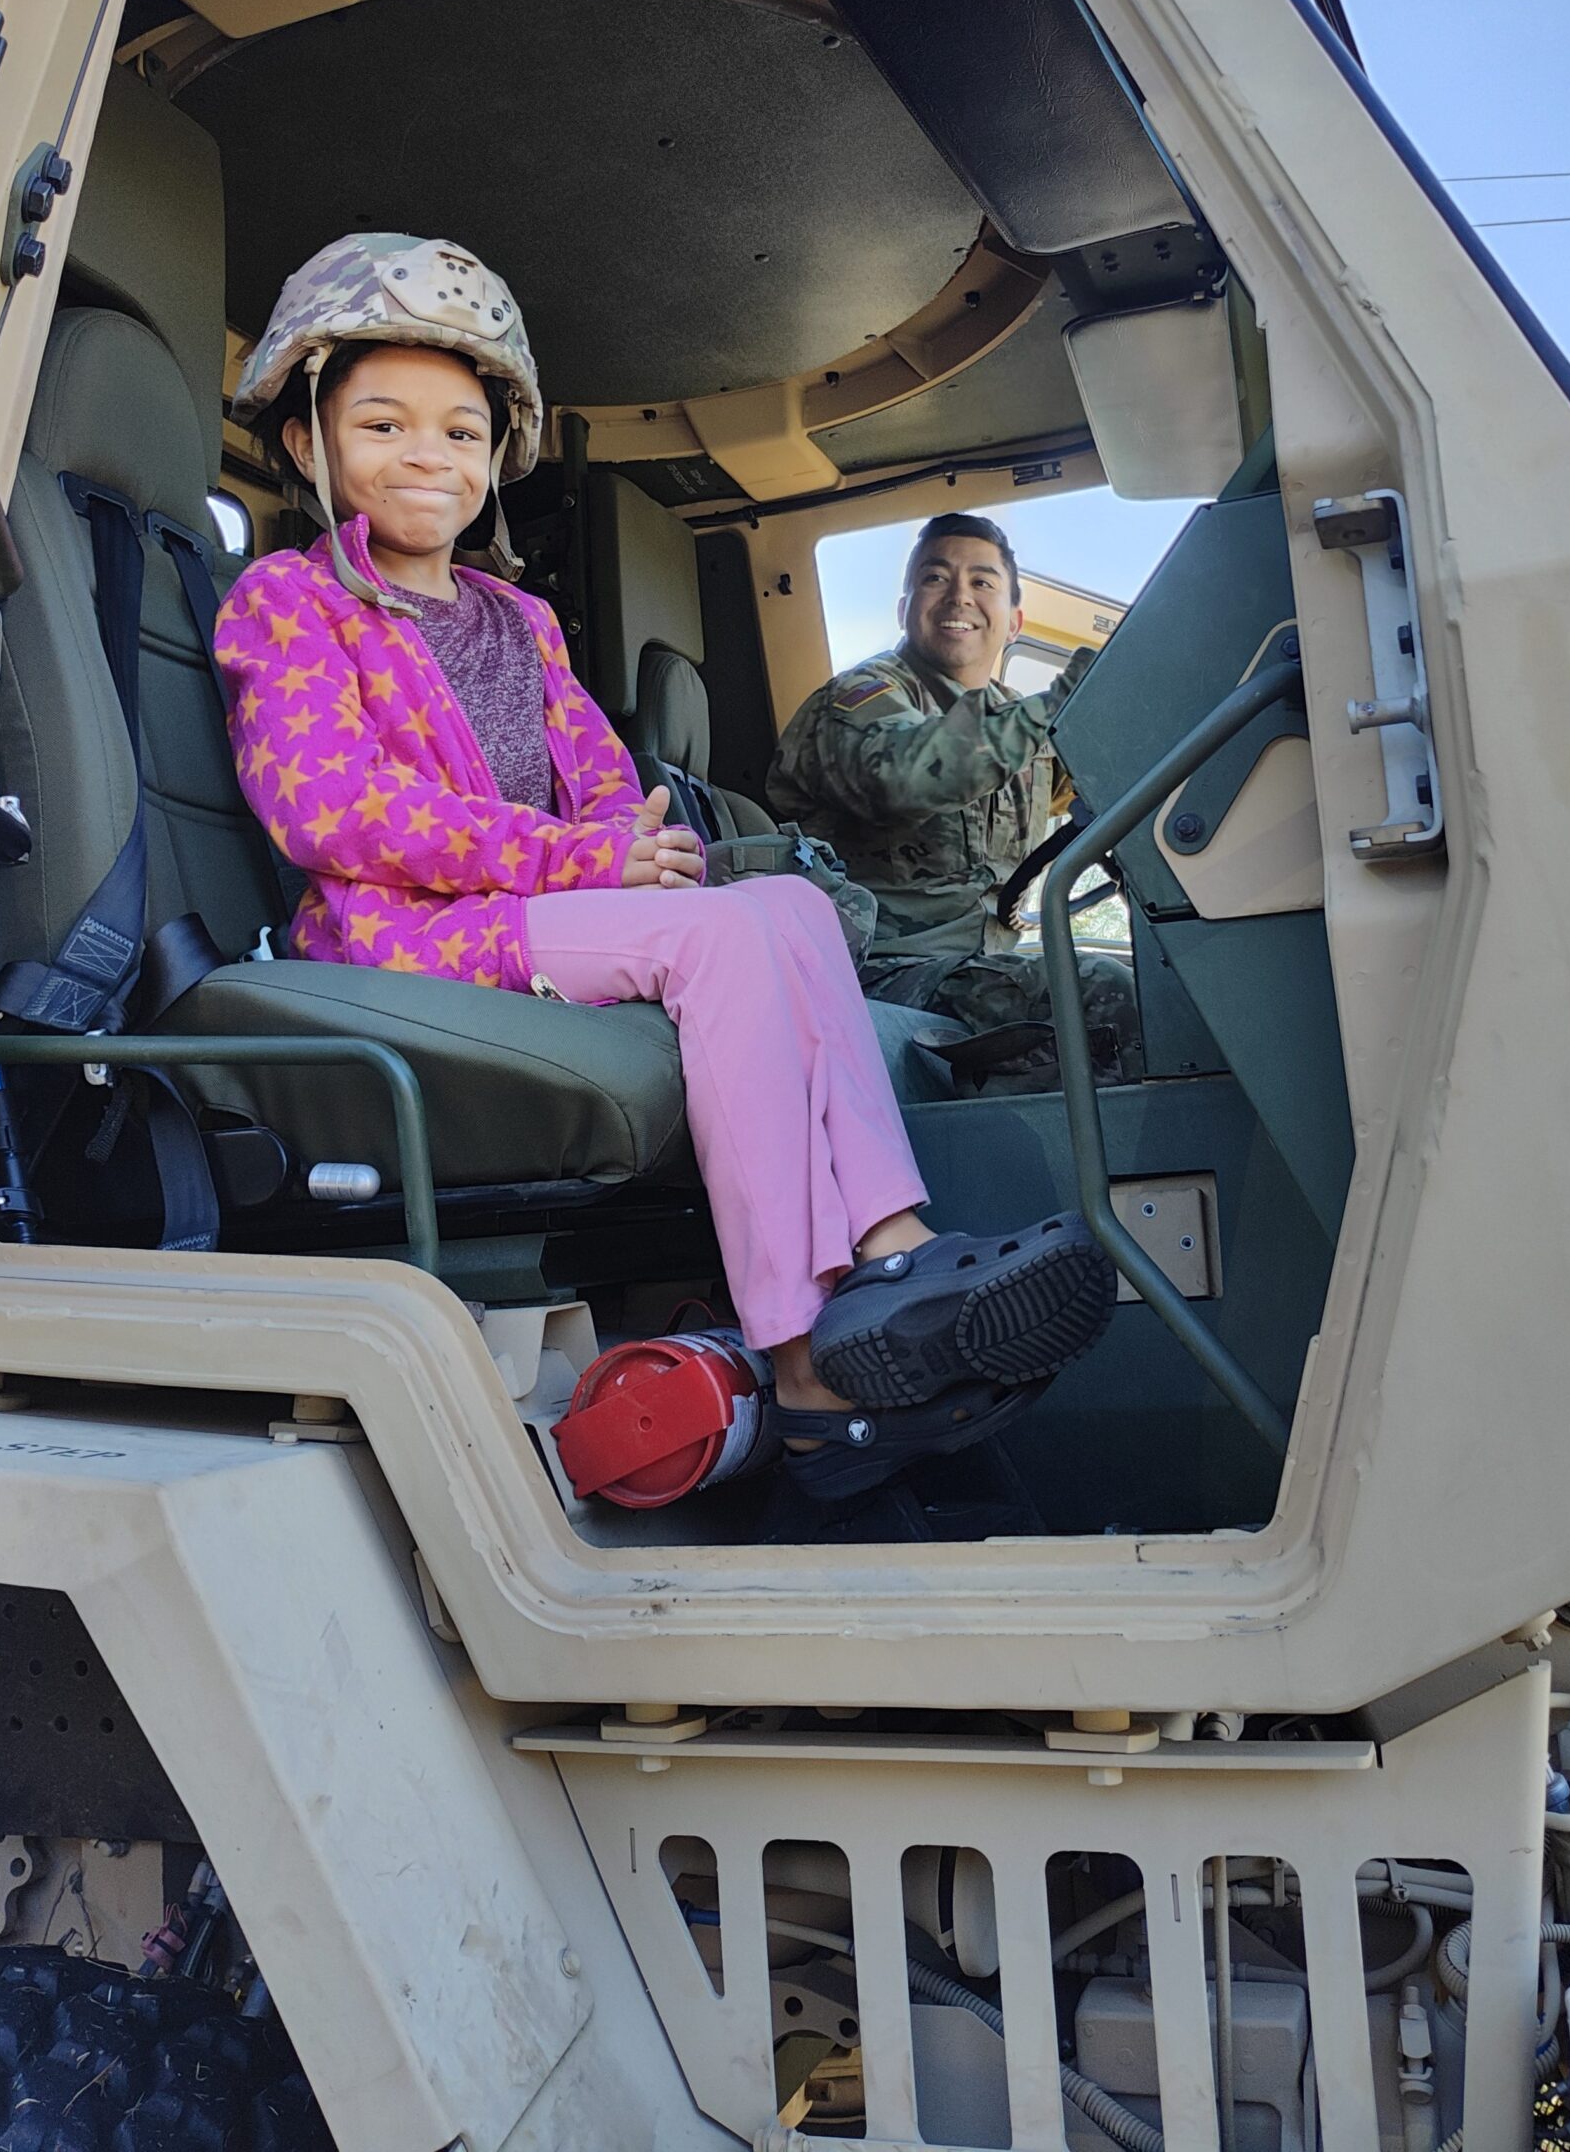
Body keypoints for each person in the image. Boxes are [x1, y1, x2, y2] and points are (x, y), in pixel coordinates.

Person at [214, 234, 1113, 1505]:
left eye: (462, 433)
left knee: (787, 902)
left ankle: (894, 1246)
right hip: (402, 937)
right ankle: (804, 1363)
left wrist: (628, 848)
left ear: (496, 456)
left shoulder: (521, 619)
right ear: (307, 442)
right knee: (725, 935)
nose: (428, 456)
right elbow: (332, 812)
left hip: (535, 911)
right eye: (383, 424)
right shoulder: (286, 601)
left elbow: (598, 775)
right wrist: (586, 856)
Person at [767, 513, 1141, 1083]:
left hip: (979, 966)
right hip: (875, 973)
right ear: (905, 610)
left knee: (1165, 978)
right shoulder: (858, 698)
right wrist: (1062, 702)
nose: (959, 596)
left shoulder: (1022, 723)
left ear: (1014, 622)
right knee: (1102, 993)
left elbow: (1109, 780)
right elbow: (912, 773)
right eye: (935, 578)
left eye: (982, 581)